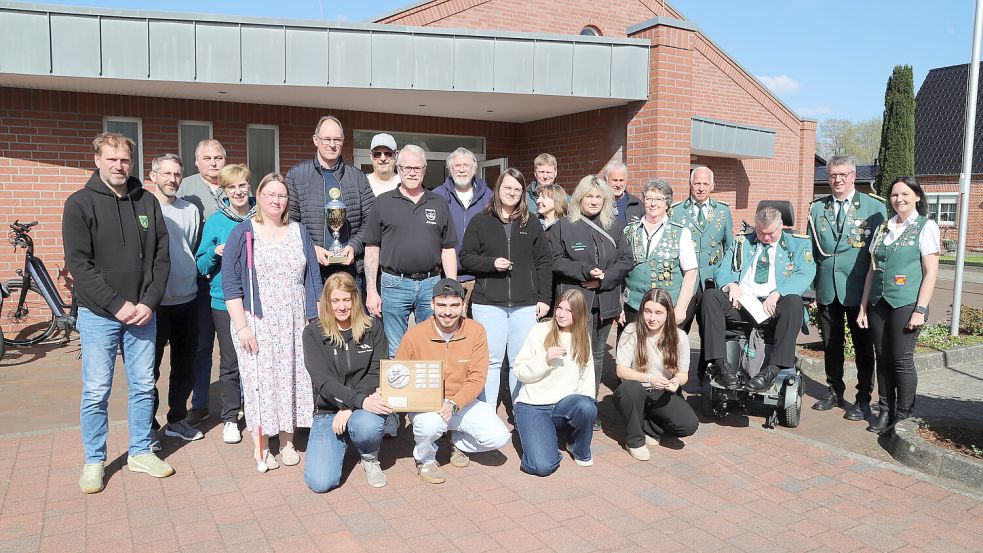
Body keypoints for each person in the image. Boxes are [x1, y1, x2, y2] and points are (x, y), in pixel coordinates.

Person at [64, 132, 173, 493]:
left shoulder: (148, 203)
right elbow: (80, 267)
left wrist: (148, 302)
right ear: (96, 160)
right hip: (99, 315)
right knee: (96, 390)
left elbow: (161, 258)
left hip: (143, 313)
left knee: (144, 385)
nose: (118, 165)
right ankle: (95, 460)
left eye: (124, 159)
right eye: (111, 159)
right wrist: (118, 306)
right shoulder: (79, 204)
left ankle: (140, 451)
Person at [223, 173, 324, 469]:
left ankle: (288, 440)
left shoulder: (299, 231)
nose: (276, 200)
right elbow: (231, 283)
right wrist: (242, 327)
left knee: (293, 378)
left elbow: (313, 280)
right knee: (260, 381)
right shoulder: (244, 233)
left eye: (281, 195)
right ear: (259, 196)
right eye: (270, 194)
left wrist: (314, 320)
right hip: (258, 320)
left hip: (294, 320)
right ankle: (262, 443)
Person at [396, 279, 510, 484]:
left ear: (464, 306)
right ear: (432, 305)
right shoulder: (415, 335)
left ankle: (458, 441)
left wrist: (454, 403)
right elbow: (399, 372)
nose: (447, 312)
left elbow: (477, 377)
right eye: (441, 305)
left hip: (461, 402)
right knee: (429, 425)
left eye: (454, 305)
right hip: (427, 404)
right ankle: (426, 459)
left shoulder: (476, 331)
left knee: (499, 438)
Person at [460, 168, 552, 409]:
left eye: (517, 189)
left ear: (523, 193)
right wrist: (491, 264)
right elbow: (466, 258)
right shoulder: (480, 220)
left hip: (525, 304)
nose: (512, 193)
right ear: (498, 189)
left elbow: (543, 261)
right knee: (490, 360)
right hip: (488, 303)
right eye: (507, 187)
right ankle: (487, 411)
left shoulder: (531, 222)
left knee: (519, 361)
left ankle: (520, 412)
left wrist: (544, 297)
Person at [701, 205, 815, 392]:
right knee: (710, 297)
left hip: (774, 305)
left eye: (771, 233)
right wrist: (731, 285)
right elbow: (722, 269)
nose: (766, 238)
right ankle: (722, 365)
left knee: (794, 303)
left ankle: (772, 370)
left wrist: (778, 293)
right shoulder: (742, 242)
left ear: (781, 226)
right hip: (741, 303)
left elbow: (805, 273)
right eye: (761, 233)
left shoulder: (798, 244)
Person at [858, 177, 939, 435]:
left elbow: (931, 273)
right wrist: (863, 306)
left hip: (906, 302)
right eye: (894, 195)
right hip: (879, 302)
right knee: (881, 357)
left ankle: (903, 415)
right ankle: (885, 410)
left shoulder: (926, 227)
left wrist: (921, 309)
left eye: (905, 194)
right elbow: (872, 270)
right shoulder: (884, 227)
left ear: (917, 196)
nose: (899, 199)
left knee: (901, 360)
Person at [808, 155, 887, 420]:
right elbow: (811, 251)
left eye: (843, 175)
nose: (837, 180)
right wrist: (811, 289)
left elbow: (880, 253)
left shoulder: (874, 209)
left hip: (858, 289)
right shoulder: (817, 208)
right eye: (832, 175)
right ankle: (834, 390)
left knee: (863, 347)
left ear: (853, 176)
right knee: (831, 344)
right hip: (828, 287)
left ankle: (863, 398)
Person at [550, 175, 632, 425]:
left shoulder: (615, 226)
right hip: (576, 301)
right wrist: (584, 270)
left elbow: (626, 260)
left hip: (605, 301)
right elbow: (553, 260)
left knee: (596, 354)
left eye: (599, 197)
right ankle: (568, 403)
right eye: (589, 196)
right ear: (579, 198)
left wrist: (603, 280)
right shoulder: (564, 226)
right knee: (575, 353)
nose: (594, 201)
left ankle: (589, 403)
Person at [363, 144, 458, 356]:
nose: (412, 173)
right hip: (394, 284)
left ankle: (429, 390)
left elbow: (448, 248)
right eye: (407, 168)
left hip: (431, 283)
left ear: (424, 170)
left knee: (432, 346)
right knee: (396, 348)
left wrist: (451, 286)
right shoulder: (383, 203)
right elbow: (371, 248)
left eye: (417, 168)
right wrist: (371, 290)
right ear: (398, 168)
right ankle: (400, 390)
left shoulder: (439, 202)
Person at [303, 272, 392, 492]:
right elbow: (323, 382)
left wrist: (352, 406)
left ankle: (369, 455)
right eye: (335, 300)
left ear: (355, 299)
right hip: (329, 410)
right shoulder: (313, 333)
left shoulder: (373, 327)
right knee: (320, 483)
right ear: (327, 302)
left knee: (367, 426)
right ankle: (341, 441)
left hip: (364, 407)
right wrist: (349, 404)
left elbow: (377, 371)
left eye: (346, 300)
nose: (341, 307)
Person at [196, 164, 256, 445]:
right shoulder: (215, 222)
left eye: (242, 185)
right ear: (224, 191)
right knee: (231, 361)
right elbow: (201, 264)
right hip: (224, 301)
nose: (238, 191)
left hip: (259, 299)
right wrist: (215, 252)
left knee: (260, 358)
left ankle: (258, 412)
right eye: (231, 187)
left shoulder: (264, 216)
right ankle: (231, 417)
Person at [147, 153, 203, 445]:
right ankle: (147, 425)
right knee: (148, 368)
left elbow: (189, 247)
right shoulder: (143, 207)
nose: (172, 180)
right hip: (154, 304)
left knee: (183, 365)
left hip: (187, 299)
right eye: (166, 174)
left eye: (177, 174)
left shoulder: (190, 210)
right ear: (153, 175)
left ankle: (177, 420)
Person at [512, 289, 597, 475]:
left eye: (569, 310)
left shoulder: (583, 338)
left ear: (579, 313)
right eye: (559, 308)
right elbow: (519, 371)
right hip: (533, 405)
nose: (561, 314)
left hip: (563, 406)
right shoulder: (540, 330)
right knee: (541, 467)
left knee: (587, 406)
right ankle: (541, 438)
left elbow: (587, 379)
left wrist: (587, 412)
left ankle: (578, 447)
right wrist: (545, 360)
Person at [287, 115, 375, 286]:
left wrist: (354, 246)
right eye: (326, 139)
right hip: (312, 271)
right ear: (315, 140)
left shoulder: (357, 177)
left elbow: (370, 220)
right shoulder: (296, 175)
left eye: (337, 139)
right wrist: (311, 247)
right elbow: (290, 223)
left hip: (350, 270)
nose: (332, 145)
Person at [176, 138, 228, 427]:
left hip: (230, 282)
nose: (213, 162)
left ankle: (239, 399)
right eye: (207, 158)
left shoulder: (234, 186)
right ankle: (200, 403)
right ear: (196, 162)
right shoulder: (186, 188)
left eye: (218, 157)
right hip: (199, 281)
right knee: (201, 346)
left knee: (234, 346)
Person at [614, 288, 698, 461]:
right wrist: (649, 378)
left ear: (668, 313)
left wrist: (675, 381)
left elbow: (683, 374)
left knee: (688, 424)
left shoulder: (679, 337)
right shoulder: (632, 331)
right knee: (631, 390)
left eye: (659, 312)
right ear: (642, 310)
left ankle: (647, 426)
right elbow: (621, 370)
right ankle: (634, 441)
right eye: (648, 311)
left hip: (662, 391)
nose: (652, 318)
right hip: (636, 389)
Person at [669, 166, 733, 382]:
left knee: (710, 333)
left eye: (706, 184)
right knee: (678, 330)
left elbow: (730, 248)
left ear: (712, 186)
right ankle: (674, 375)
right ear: (690, 183)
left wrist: (729, 279)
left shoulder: (723, 212)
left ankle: (705, 377)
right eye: (697, 183)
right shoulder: (676, 211)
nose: (701, 188)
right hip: (685, 283)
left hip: (711, 284)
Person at [622, 179, 697, 326]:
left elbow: (691, 272)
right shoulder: (629, 230)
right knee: (631, 347)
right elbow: (620, 270)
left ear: (667, 203)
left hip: (665, 308)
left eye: (658, 199)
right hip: (633, 306)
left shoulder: (681, 232)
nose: (653, 203)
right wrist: (619, 306)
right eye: (649, 198)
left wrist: (681, 308)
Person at [433, 147, 492, 309]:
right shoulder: (437, 196)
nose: (461, 169)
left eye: (466, 165)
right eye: (456, 166)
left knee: (477, 329)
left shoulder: (489, 196)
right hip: (445, 277)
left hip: (480, 277)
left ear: (474, 168)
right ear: (449, 169)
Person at [605, 162, 643, 228]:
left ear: (626, 180)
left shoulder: (637, 204)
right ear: (606, 180)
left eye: (621, 180)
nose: (618, 185)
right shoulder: (600, 203)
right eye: (615, 180)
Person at [366, 133, 400, 197]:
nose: (383, 158)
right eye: (377, 154)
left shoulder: (404, 185)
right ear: (371, 156)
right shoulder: (362, 185)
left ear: (396, 155)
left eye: (388, 153)